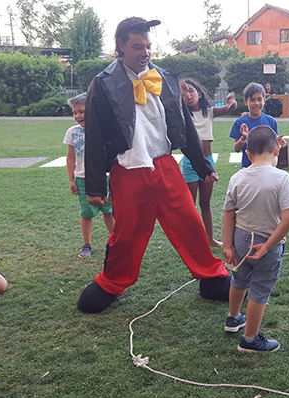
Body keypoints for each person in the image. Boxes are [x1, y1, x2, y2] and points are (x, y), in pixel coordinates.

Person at [77, 17, 230, 313]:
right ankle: (111, 282)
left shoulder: (164, 77)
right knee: (127, 233)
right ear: (120, 45)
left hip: (166, 166)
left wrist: (202, 165)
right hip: (128, 169)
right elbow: (94, 134)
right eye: (137, 46)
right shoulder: (104, 83)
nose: (145, 52)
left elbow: (185, 125)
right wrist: (95, 185)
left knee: (189, 222)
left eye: (148, 46)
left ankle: (211, 276)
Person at [222, 125, 289, 352]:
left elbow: (229, 214)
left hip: (239, 240)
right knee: (260, 290)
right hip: (267, 243)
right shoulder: (282, 178)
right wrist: (267, 246)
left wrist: (227, 246)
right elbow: (288, 221)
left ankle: (233, 318)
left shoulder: (237, 177)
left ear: (248, 154)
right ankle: (250, 340)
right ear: (277, 151)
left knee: (238, 280)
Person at [178, 78, 237, 247]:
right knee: (190, 205)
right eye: (183, 94)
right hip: (189, 164)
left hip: (208, 164)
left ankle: (210, 239)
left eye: (190, 90)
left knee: (205, 203)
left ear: (199, 94)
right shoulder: (183, 116)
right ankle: (190, 240)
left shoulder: (209, 112)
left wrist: (232, 102)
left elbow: (230, 108)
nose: (188, 96)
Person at [64, 93, 115, 258]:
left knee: (109, 210)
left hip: (105, 177)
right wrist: (71, 179)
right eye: (74, 112)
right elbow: (70, 157)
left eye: (81, 111)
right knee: (86, 212)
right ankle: (86, 244)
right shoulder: (72, 132)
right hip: (83, 178)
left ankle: (115, 240)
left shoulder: (104, 130)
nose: (78, 116)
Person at [229, 82, 281, 168]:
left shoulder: (271, 121)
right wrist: (243, 138)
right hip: (248, 169)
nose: (256, 103)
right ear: (246, 102)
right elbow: (237, 149)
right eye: (252, 100)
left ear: (264, 101)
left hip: (267, 169)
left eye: (259, 99)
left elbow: (273, 149)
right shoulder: (239, 123)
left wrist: (277, 142)